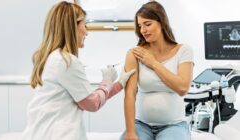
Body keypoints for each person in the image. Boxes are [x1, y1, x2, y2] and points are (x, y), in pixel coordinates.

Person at [20, 1, 135, 140]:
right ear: (72, 27)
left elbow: (83, 97)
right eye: (84, 25)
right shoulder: (66, 62)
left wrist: (119, 84)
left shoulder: (51, 58)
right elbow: (92, 104)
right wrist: (107, 81)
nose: (86, 31)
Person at [120, 1, 194, 140]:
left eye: (147, 24)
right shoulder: (135, 54)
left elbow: (182, 87)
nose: (143, 30)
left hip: (174, 125)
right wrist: (130, 132)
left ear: (162, 22)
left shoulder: (184, 51)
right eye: (140, 26)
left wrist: (153, 63)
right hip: (141, 125)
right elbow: (130, 93)